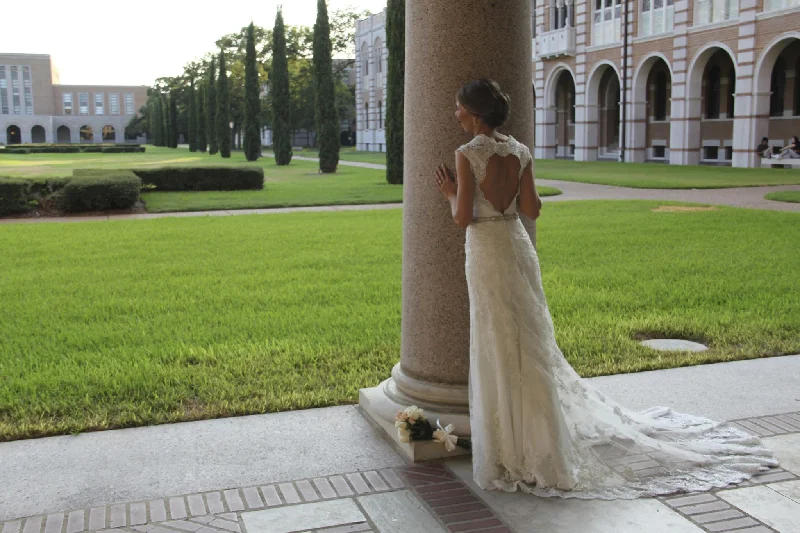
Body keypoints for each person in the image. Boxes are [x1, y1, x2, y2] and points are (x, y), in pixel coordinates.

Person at [433, 78, 776, 500]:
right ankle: (538, 436)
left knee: (496, 337)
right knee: (530, 338)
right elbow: (532, 209)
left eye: (458, 107)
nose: (455, 114)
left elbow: (463, 218)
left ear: (474, 112)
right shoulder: (520, 151)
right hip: (516, 244)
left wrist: (450, 194)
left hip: (485, 249)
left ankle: (512, 445)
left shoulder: (467, 154)